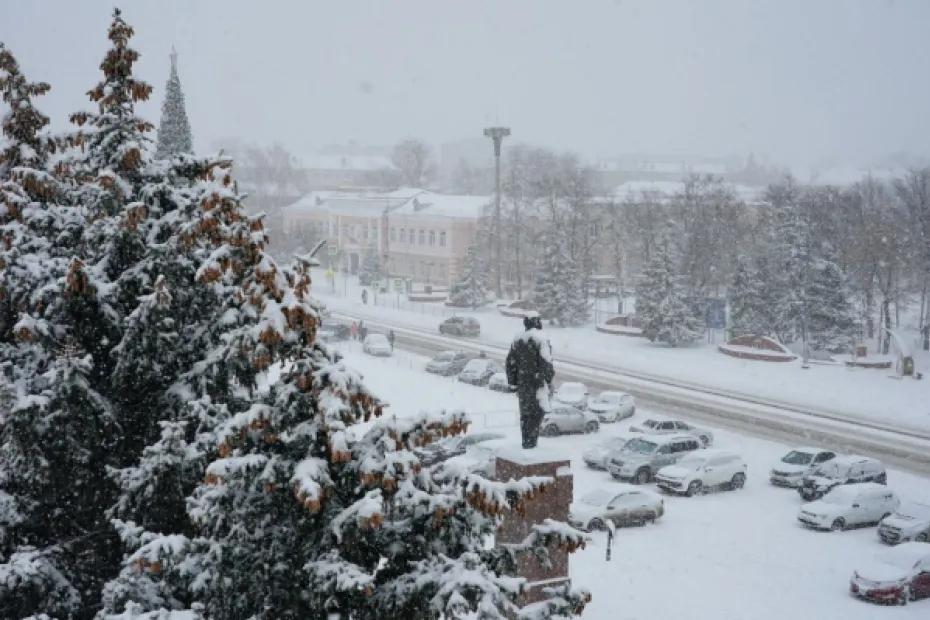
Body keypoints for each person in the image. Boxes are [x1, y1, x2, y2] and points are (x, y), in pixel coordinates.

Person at [505, 313, 554, 449]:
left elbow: (510, 363)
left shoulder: (517, 339)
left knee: (525, 416)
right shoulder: (541, 339)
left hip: (523, 386)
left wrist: (513, 383)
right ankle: (531, 444)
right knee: (536, 415)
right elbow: (546, 363)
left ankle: (526, 442)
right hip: (537, 386)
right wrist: (547, 379)